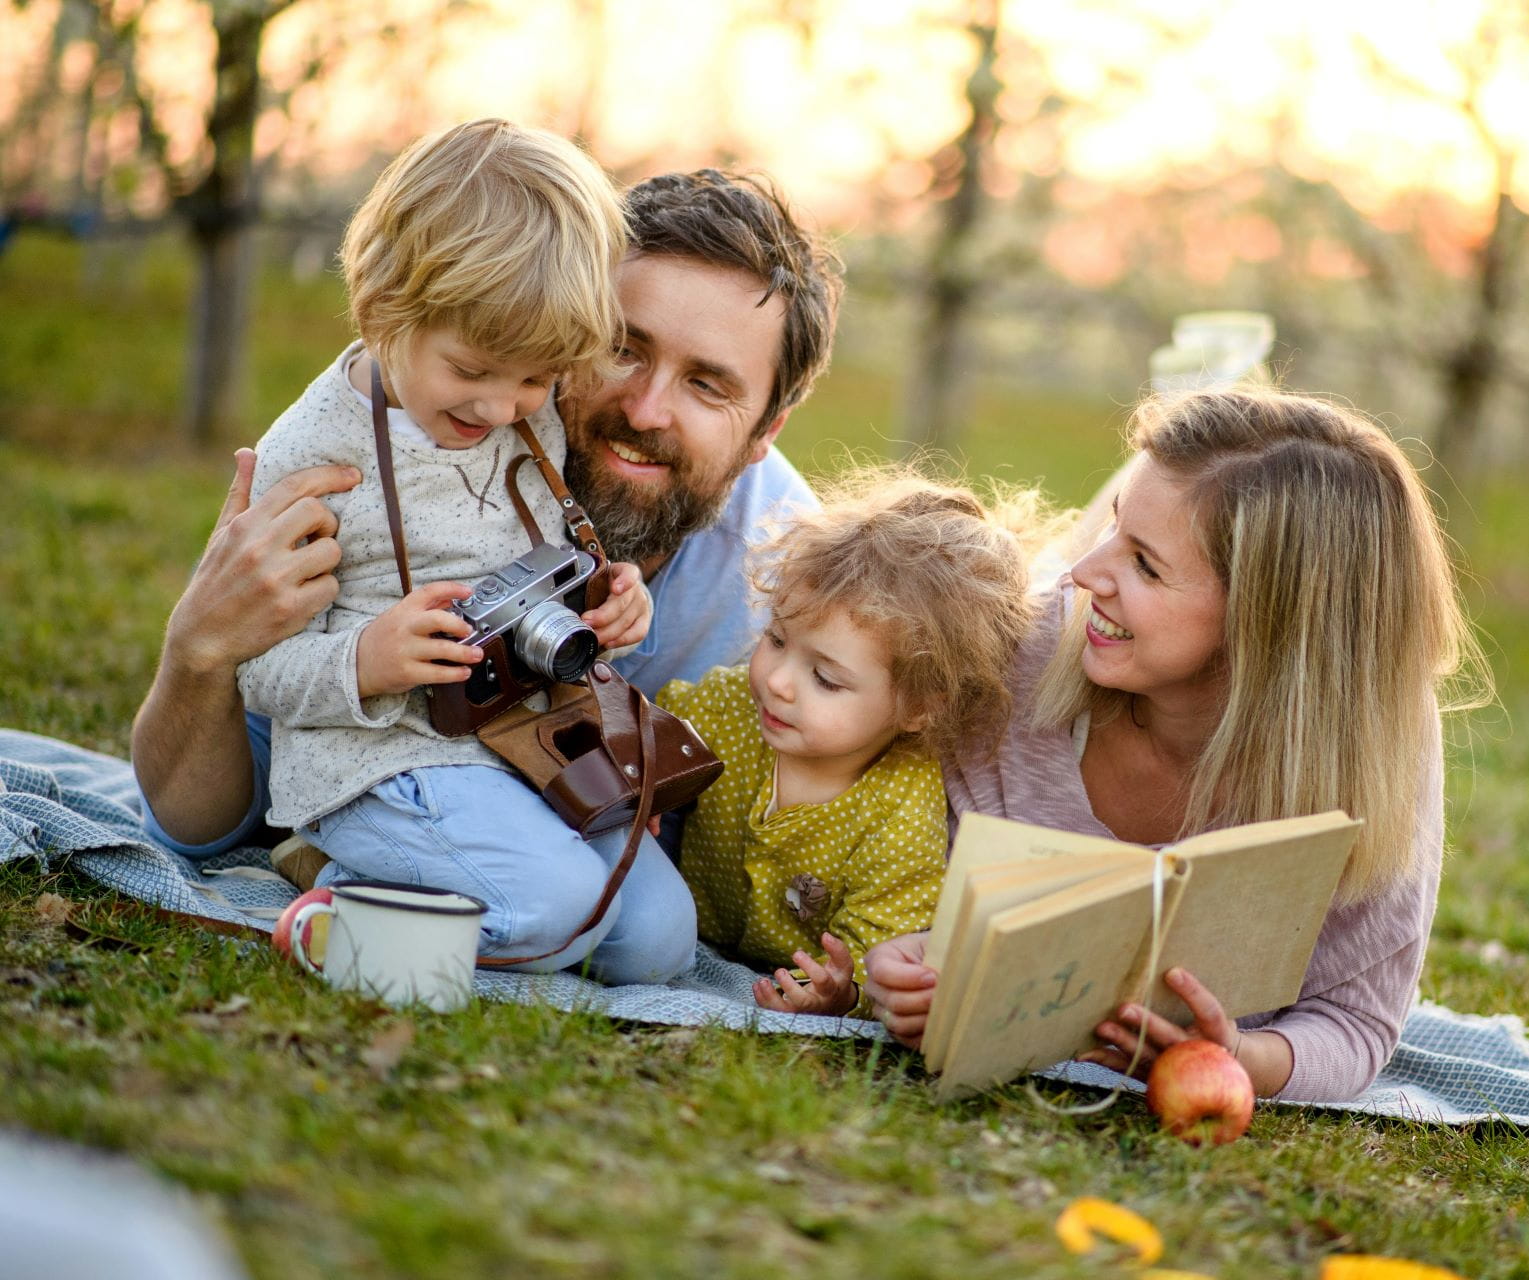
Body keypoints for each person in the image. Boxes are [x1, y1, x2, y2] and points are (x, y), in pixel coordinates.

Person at [130, 166, 842, 868]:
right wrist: (200, 646)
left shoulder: (785, 594)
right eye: (622, 348)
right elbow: (203, 828)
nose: (644, 410)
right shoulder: (405, 456)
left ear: (764, 434)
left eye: (707, 386)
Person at [862, 387, 1489, 1102]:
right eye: (1115, 527)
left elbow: (1355, 1025)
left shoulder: (1373, 746)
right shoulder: (1007, 659)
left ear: (1267, 628)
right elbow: (884, 883)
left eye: (1146, 566)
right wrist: (900, 963)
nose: (1083, 573)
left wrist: (1239, 1056)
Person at [234, 119, 691, 977]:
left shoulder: (530, 414)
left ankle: (434, 885)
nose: (500, 408)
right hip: (378, 766)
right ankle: (337, 892)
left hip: (524, 749)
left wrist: (607, 599)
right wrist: (367, 658)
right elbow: (255, 670)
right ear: (384, 302)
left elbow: (539, 566)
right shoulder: (314, 458)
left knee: (657, 946)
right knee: (562, 917)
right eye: (473, 369)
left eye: (533, 378)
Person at [654, 474, 1040, 1016]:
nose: (778, 681)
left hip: (787, 971)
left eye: (826, 679)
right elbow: (646, 742)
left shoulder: (902, 811)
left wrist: (844, 993)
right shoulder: (722, 708)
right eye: (777, 639)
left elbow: (882, 947)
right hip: (682, 927)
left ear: (919, 707)